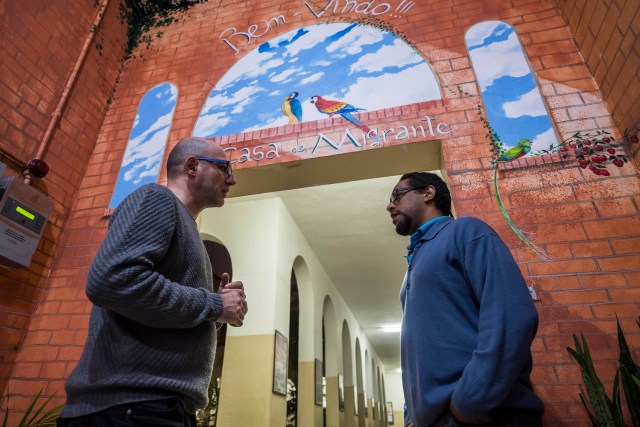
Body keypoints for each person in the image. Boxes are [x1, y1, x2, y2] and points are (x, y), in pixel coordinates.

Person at [58, 137, 248, 426]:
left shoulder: (186, 226)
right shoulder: (156, 199)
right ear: (192, 166)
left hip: (156, 406)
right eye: (225, 168)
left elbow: (157, 311)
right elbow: (113, 280)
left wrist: (219, 312)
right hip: (131, 409)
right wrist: (214, 303)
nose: (231, 180)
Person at [386, 172, 544, 427]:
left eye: (397, 195)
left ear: (428, 193)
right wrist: (412, 416)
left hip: (483, 415)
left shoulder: (466, 231)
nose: (390, 205)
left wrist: (471, 400)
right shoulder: (415, 262)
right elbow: (416, 352)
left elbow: (512, 315)